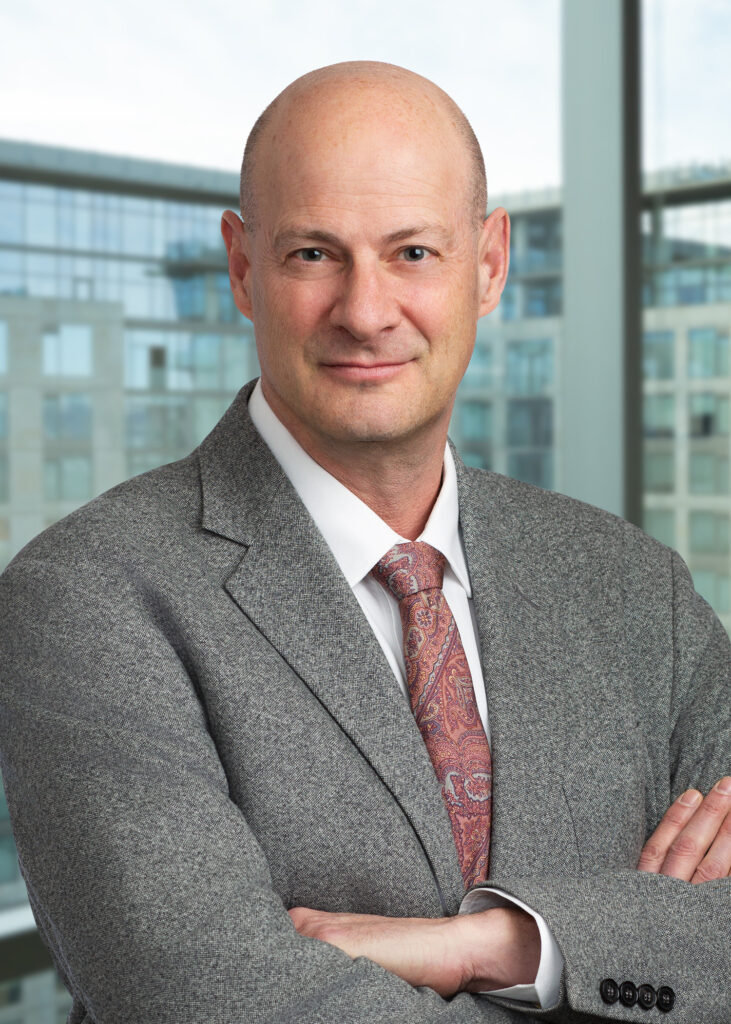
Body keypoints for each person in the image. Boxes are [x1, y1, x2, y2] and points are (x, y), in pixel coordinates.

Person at [0, 61, 729, 1024]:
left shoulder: (632, 585)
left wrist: (507, 943)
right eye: (313, 254)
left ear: (489, 264)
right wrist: (637, 958)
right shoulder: (88, 597)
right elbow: (209, 1003)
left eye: (413, 252)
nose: (366, 311)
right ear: (242, 268)